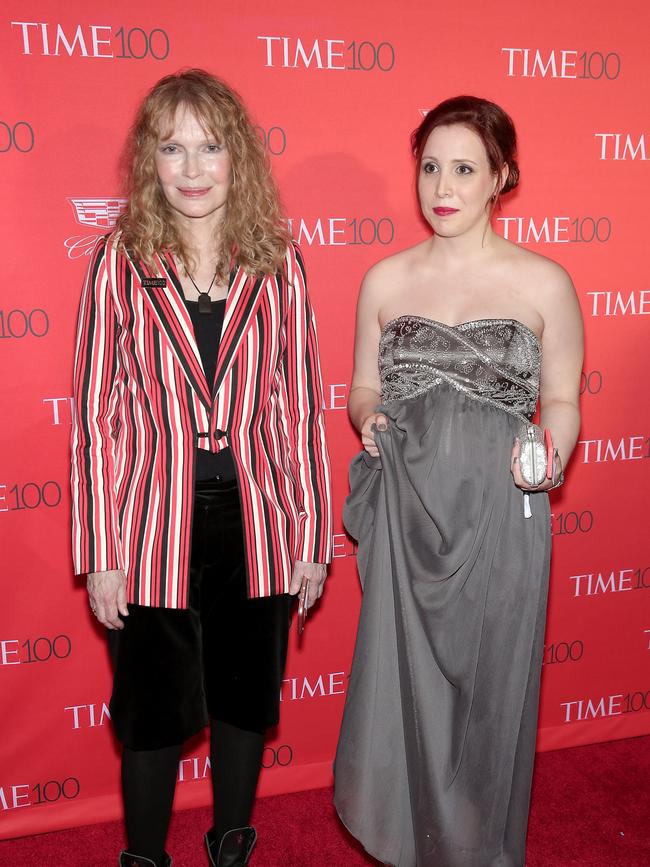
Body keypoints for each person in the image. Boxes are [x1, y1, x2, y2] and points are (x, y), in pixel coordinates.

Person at [70, 69, 332, 867]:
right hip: (151, 525)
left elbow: (297, 408)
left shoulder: (278, 261)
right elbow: (95, 417)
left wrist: (312, 535)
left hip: (256, 522)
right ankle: (145, 858)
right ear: (150, 159)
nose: (191, 167)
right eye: (172, 147)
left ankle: (231, 848)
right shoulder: (120, 260)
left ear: (238, 156)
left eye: (209, 146)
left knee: (246, 703)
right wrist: (103, 550)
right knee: (150, 713)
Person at [334, 96, 583, 867]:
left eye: (465, 169)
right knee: (410, 695)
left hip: (502, 515)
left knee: (491, 696)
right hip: (411, 515)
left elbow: (567, 401)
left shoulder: (544, 282)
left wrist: (552, 452)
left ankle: (480, 849)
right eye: (431, 166)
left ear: (501, 176)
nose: (442, 186)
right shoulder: (384, 279)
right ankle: (412, 844)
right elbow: (360, 390)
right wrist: (369, 417)